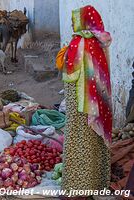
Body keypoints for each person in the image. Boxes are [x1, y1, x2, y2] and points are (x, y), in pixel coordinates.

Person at [57, 5, 112, 192]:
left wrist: (64, 56)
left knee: (78, 139)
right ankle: (97, 182)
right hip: (98, 105)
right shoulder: (101, 41)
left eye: (75, 19)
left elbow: (69, 74)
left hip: (81, 106)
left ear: (84, 21)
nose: (73, 23)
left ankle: (77, 186)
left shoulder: (79, 42)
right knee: (95, 141)